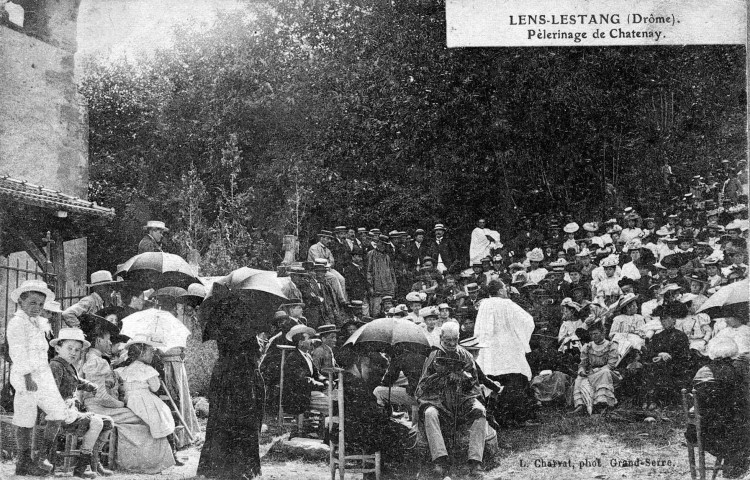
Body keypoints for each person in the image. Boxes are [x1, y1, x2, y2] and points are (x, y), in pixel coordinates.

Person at [81, 315, 176, 474]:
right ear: (98, 341)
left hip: (101, 406)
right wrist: (121, 404)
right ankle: (137, 463)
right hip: (99, 407)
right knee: (144, 421)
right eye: (108, 340)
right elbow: (101, 396)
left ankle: (108, 461)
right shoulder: (96, 362)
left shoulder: (96, 359)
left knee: (143, 420)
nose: (111, 343)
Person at [7, 280, 78, 476]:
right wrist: (28, 377)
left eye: (40, 304)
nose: (37, 308)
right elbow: (18, 352)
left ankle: (41, 456)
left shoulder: (39, 323)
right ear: (21, 302)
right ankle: (23, 462)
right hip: (25, 375)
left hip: (43, 374)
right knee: (26, 417)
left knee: (57, 412)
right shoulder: (17, 323)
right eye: (32, 303)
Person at [198, 291, 269, 479]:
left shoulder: (221, 325)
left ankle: (217, 466)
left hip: (223, 377)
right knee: (243, 423)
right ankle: (241, 468)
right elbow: (253, 356)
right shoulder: (245, 329)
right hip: (241, 380)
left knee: (220, 421)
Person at [415, 322, 488, 477]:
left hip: (462, 400)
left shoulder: (466, 355)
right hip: (437, 401)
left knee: (480, 411)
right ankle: (440, 460)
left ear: (458, 338)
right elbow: (421, 387)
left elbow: (475, 386)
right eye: (447, 340)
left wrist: (462, 379)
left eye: (455, 339)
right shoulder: (433, 354)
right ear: (441, 337)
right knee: (429, 413)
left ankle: (475, 461)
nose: (451, 343)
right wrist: (443, 377)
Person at [48, 328, 113, 478]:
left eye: (77, 350)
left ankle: (94, 462)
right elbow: (53, 392)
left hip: (70, 412)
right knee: (96, 422)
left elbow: (75, 381)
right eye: (69, 348)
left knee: (108, 422)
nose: (73, 353)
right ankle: (82, 466)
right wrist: (67, 404)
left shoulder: (69, 366)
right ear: (58, 348)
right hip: (58, 413)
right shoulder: (56, 366)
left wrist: (88, 385)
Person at [686, 337, 750, 478]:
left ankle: (732, 470)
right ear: (733, 354)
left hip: (699, 432)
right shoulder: (736, 374)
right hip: (722, 435)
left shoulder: (702, 371)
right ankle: (733, 473)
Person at [473, 280, 535, 425]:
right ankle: (517, 418)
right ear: (500, 291)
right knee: (514, 382)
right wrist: (520, 336)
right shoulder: (507, 303)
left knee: (493, 382)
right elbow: (527, 321)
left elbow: (478, 328)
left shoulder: (484, 305)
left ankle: (499, 418)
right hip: (508, 349)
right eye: (504, 289)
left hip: (490, 351)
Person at [115, 335, 181, 460]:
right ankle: (172, 453)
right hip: (144, 400)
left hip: (130, 401)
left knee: (160, 415)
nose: (152, 355)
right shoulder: (147, 369)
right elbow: (155, 388)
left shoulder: (125, 369)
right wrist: (155, 380)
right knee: (164, 413)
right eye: (150, 352)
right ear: (142, 353)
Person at [640, 303, 691, 410]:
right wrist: (658, 354)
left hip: (676, 365)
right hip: (658, 363)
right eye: (662, 319)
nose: (664, 322)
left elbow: (684, 354)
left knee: (659, 368)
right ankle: (648, 400)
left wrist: (669, 356)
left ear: (674, 320)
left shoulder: (680, 336)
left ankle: (655, 400)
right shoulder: (658, 336)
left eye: (667, 319)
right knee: (648, 367)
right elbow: (650, 352)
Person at [571, 322, 621, 415]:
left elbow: (611, 365)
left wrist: (596, 370)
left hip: (608, 373)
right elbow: (582, 364)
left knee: (605, 372)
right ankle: (581, 405)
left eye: (596, 333)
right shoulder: (588, 346)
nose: (593, 336)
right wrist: (581, 371)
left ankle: (602, 403)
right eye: (591, 334)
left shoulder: (611, 345)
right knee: (579, 378)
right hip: (591, 373)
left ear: (603, 333)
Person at [281, 325, 331, 417]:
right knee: (332, 404)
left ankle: (329, 425)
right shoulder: (293, 357)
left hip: (308, 392)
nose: (312, 341)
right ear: (300, 343)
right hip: (298, 396)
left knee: (335, 396)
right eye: (309, 339)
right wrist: (320, 384)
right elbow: (302, 379)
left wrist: (325, 381)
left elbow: (317, 374)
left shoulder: (307, 355)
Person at [366, 235, 397, 318]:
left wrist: (394, 285)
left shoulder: (387, 256)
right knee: (376, 311)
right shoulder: (371, 254)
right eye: (382, 244)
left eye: (385, 245)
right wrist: (370, 287)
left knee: (389, 310)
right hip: (377, 288)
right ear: (378, 243)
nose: (384, 246)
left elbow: (392, 272)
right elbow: (368, 271)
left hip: (388, 287)